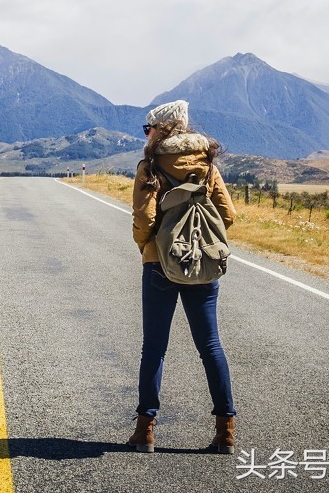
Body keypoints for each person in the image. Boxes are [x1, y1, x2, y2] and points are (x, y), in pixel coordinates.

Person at [126, 99, 238, 455]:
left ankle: (145, 430)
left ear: (162, 129)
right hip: (202, 265)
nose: (147, 134)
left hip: (159, 264)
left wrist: (149, 246)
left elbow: (143, 219)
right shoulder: (207, 164)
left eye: (149, 128)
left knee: (154, 347)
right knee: (211, 346)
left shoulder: (151, 165)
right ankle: (226, 430)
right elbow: (228, 215)